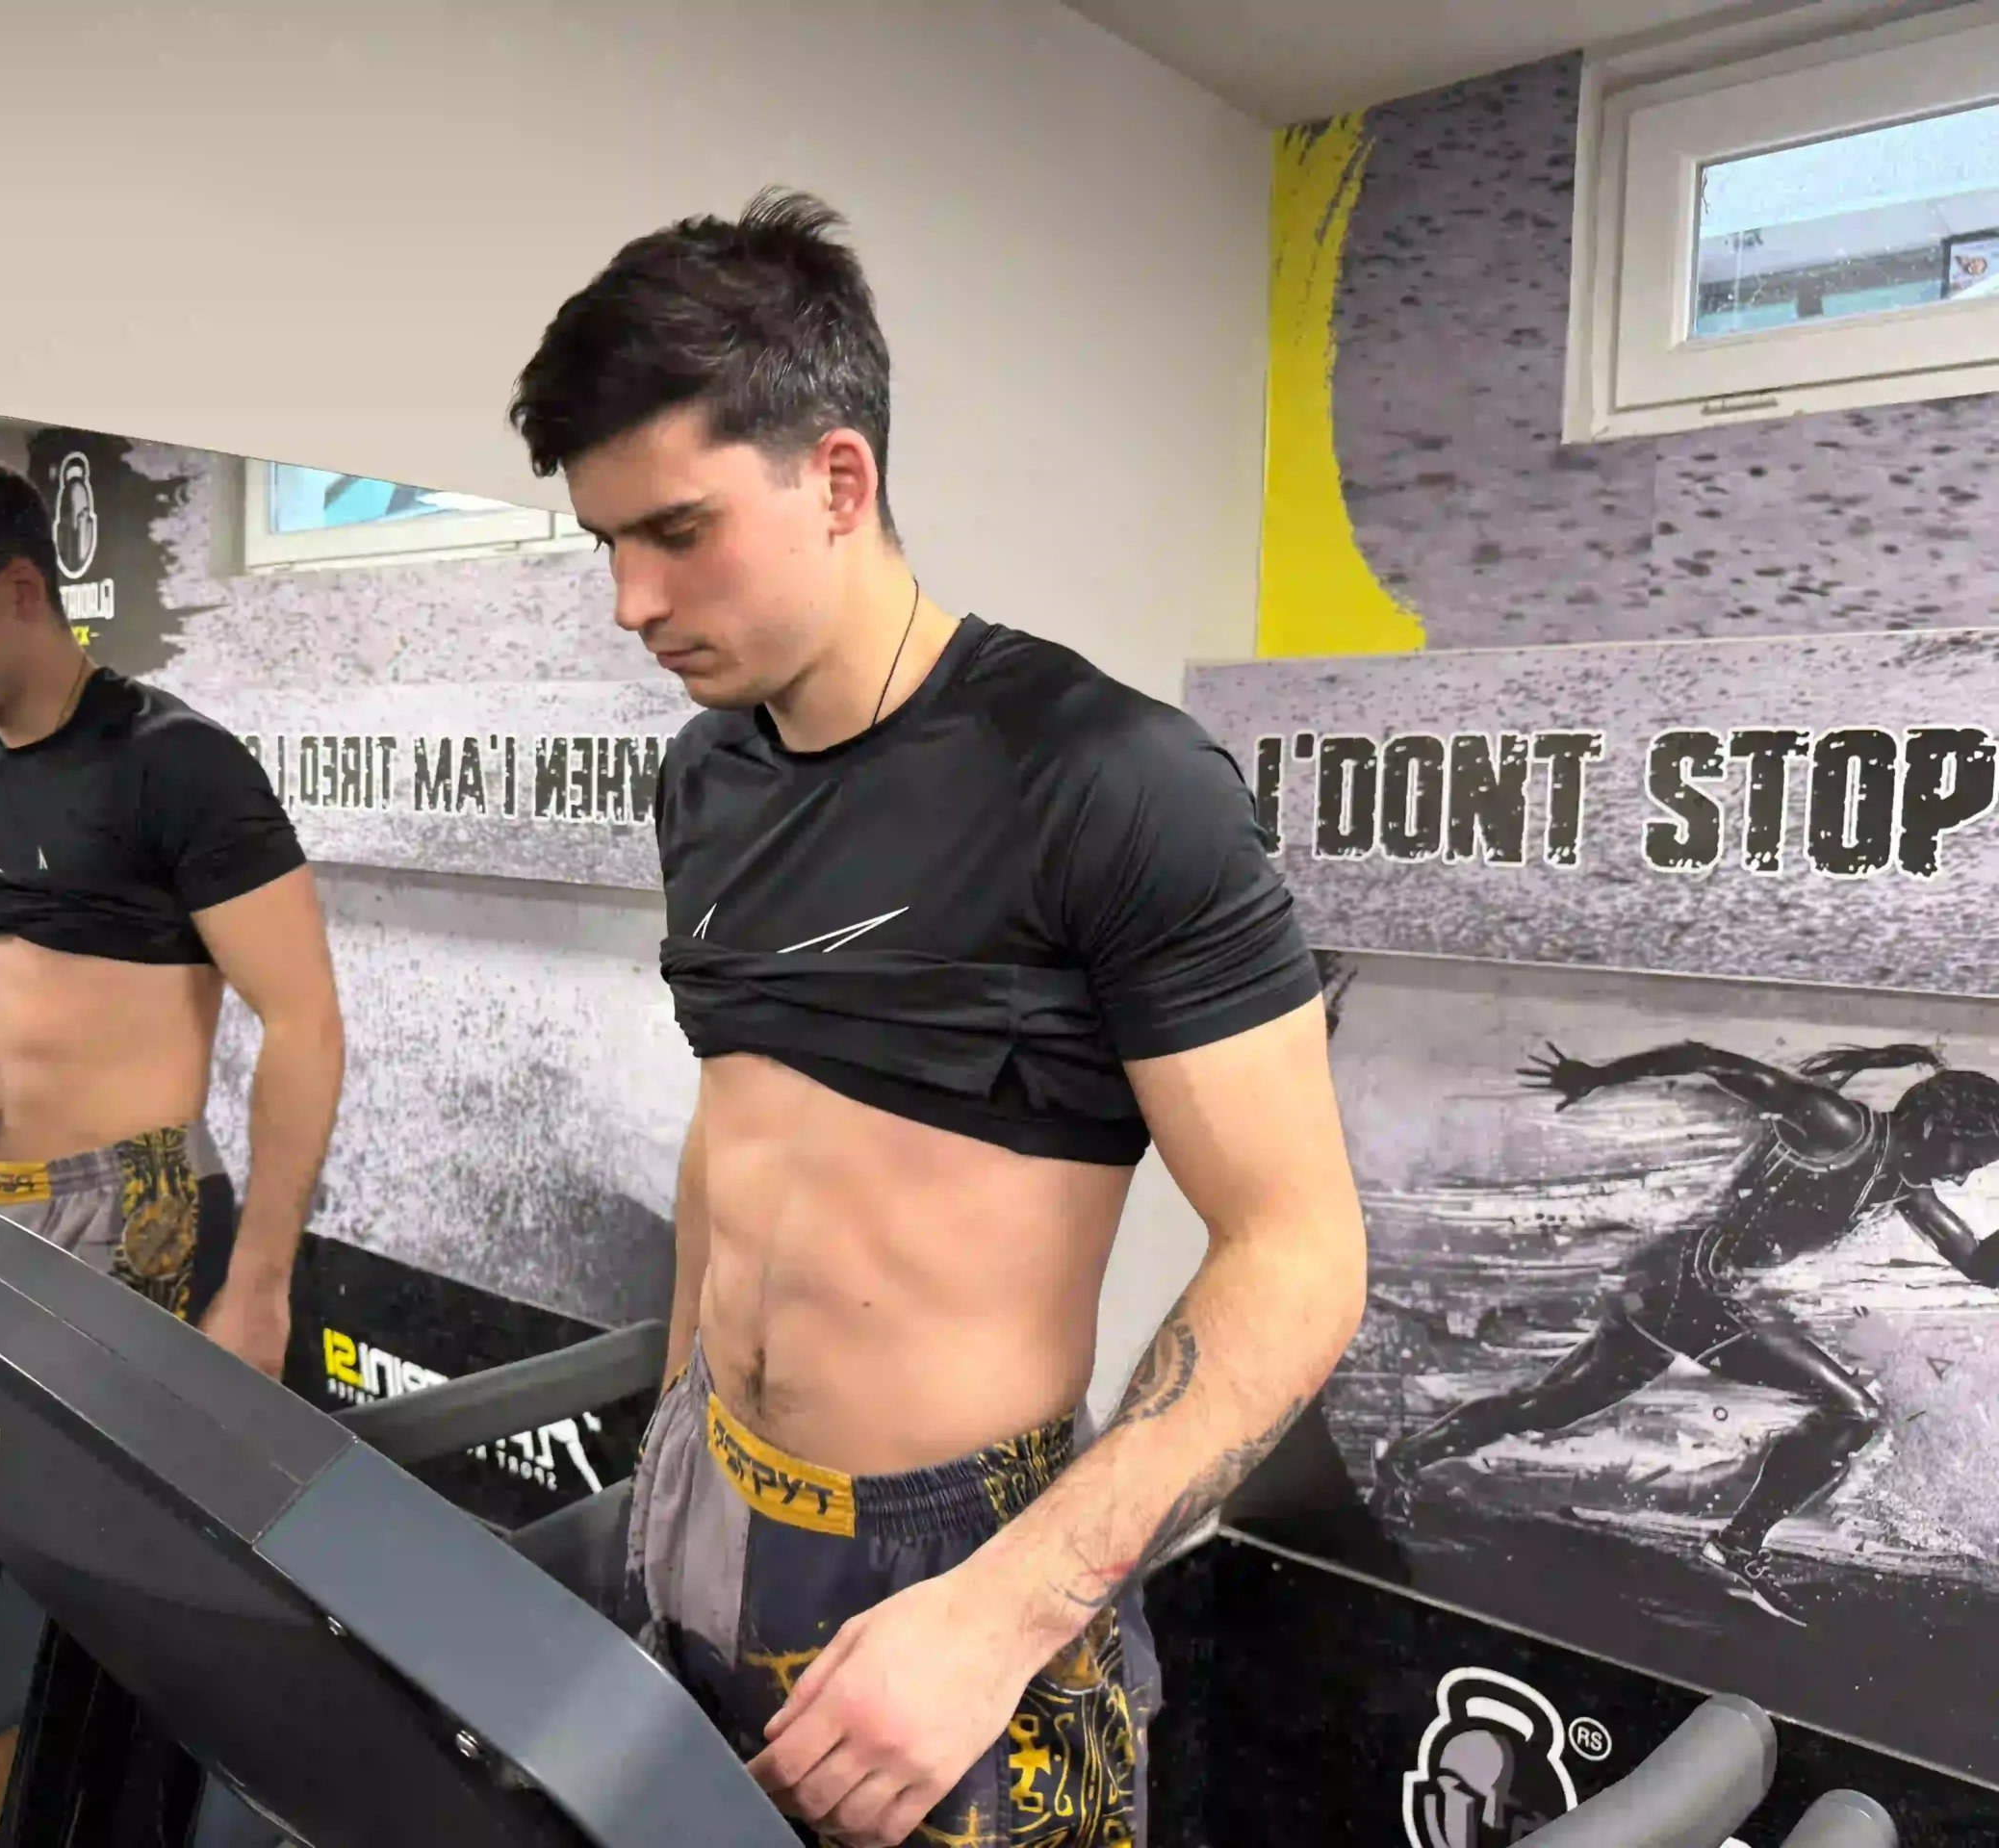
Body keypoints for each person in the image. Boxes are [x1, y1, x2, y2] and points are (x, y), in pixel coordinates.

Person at [509, 191, 1368, 1848]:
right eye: (606, 545)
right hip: (707, 1487)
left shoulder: (1108, 780)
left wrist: (1004, 1612)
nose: (631, 600)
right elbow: (741, 1127)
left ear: (839, 479)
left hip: (957, 1561)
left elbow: (1304, 1251)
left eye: (676, 532)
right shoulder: (705, 778)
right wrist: (676, 1426)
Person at [0, 444, 346, 1848]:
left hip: (142, 1215)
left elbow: (307, 1023)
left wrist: (260, 1283)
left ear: (21, 587)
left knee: (92, 1599)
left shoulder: (177, 766)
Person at [1372, 1040, 1999, 1626]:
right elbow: (1706, 1058)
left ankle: (1404, 1461)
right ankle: (1738, 1544)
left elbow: (1977, 1263)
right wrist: (1598, 1077)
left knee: (1551, 1406)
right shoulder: (1837, 1125)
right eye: (1966, 1157)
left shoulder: (1904, 1188)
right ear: (1935, 1125)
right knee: (1852, 1413)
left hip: (1680, 1282)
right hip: (1695, 1285)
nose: (1964, 1176)